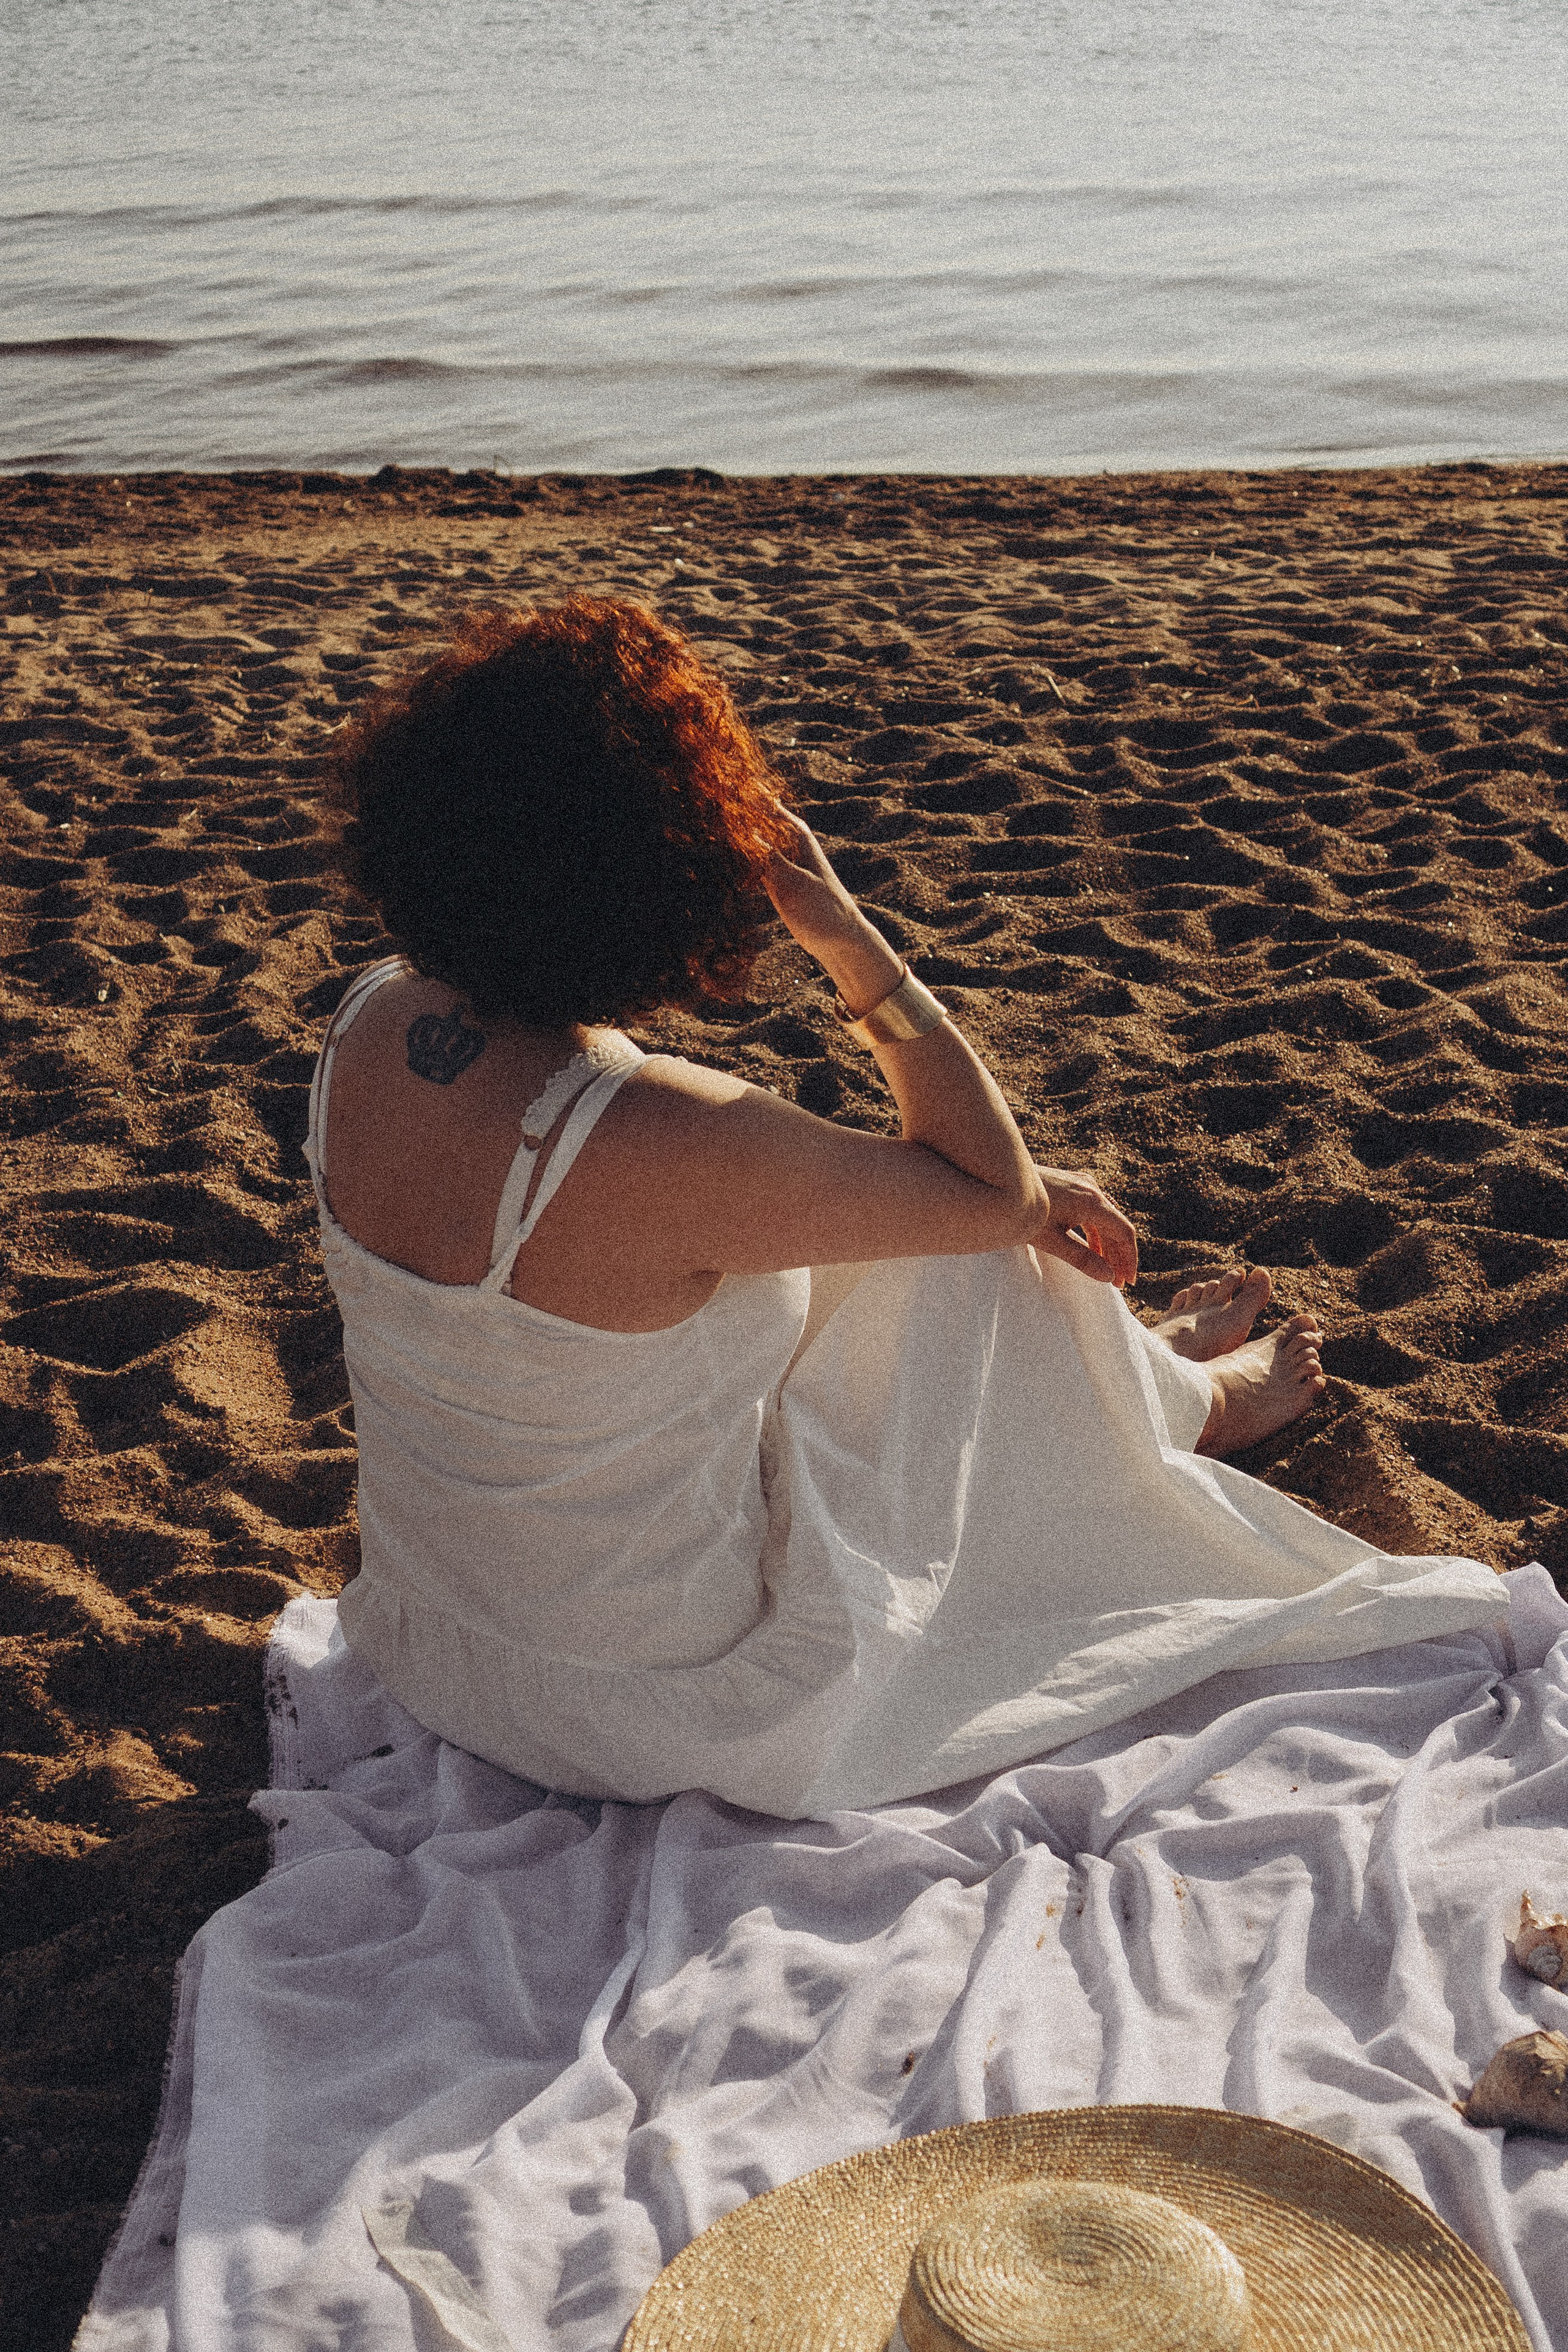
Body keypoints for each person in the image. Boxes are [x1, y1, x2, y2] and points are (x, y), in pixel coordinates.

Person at [305, 595, 1502, 1819]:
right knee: (975, 1246)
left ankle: (1144, 1381)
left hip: (441, 1647)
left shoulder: (371, 1020)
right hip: (649, 1708)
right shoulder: (649, 1130)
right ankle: (1177, 1401)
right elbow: (990, 1185)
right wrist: (845, 935)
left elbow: (970, 1194)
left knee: (931, 1225)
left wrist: (1020, 1204)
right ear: (662, 864)